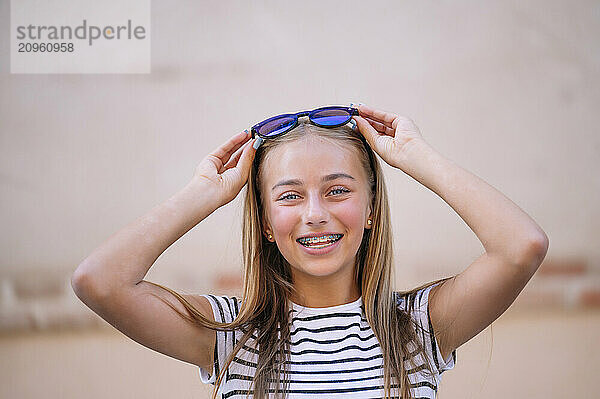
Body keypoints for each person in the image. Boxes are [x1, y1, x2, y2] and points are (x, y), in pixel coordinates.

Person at [71, 104, 549, 399]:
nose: (315, 213)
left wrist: (416, 157)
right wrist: (205, 191)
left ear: (371, 210)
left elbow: (520, 247)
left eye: (338, 190)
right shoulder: (230, 336)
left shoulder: (419, 327)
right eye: (289, 195)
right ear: (264, 223)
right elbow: (99, 281)